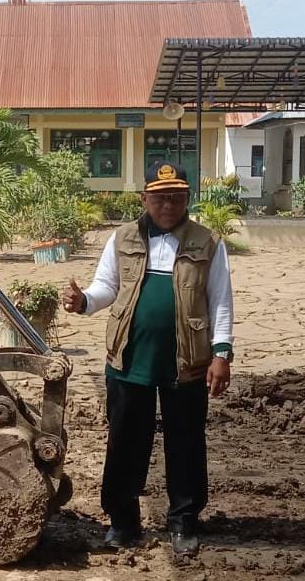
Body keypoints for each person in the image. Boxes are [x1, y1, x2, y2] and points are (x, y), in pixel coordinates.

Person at [62, 160, 233, 556]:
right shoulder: (121, 238)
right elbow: (107, 287)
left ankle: (183, 523)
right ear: (144, 199)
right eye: (159, 198)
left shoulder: (208, 242)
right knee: (125, 442)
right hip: (129, 361)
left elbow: (220, 301)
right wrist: (84, 301)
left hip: (188, 364)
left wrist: (221, 353)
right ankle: (123, 522)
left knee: (186, 444)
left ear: (188, 199)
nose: (168, 205)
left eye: (176, 197)